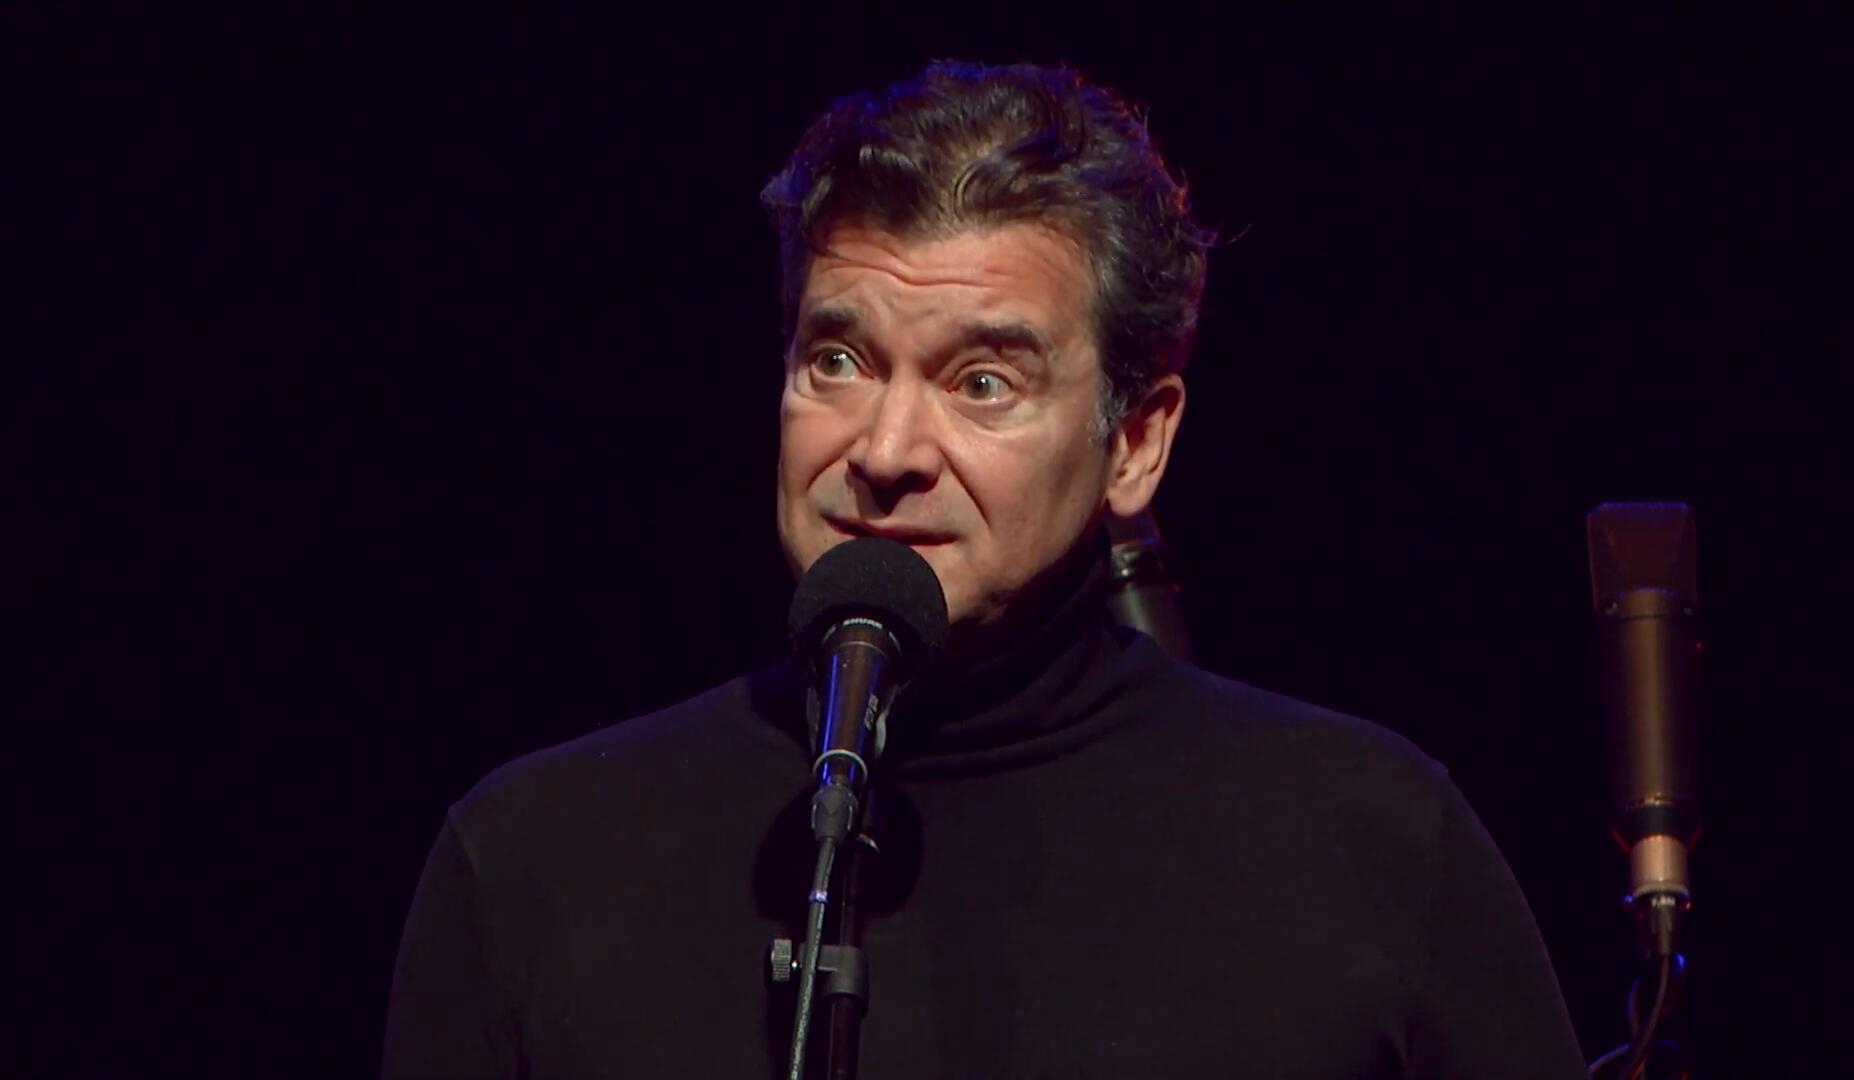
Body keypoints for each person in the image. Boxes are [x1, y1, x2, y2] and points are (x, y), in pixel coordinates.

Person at [382, 60, 1587, 1078]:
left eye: (982, 382)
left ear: (1135, 441)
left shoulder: (1370, 849)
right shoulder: (535, 862)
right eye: (839, 360)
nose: (887, 451)